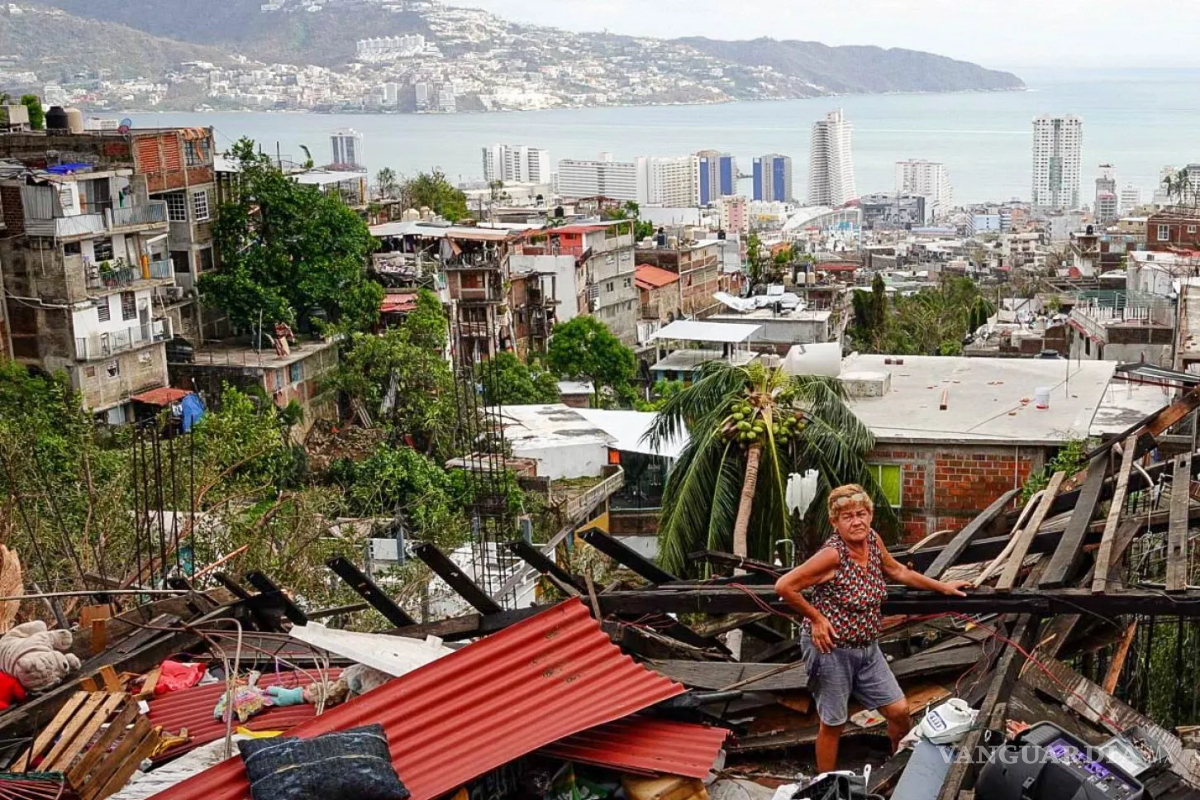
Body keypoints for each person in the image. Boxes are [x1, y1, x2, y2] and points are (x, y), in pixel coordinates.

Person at [775, 484, 972, 773]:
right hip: (832, 649)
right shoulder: (832, 555)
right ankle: (827, 783)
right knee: (833, 722)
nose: (856, 521)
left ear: (870, 515)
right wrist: (816, 619)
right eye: (847, 517)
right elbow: (784, 586)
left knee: (899, 711)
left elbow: (898, 571)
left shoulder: (872, 541)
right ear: (835, 522)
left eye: (861, 513)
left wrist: (942, 587)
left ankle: (899, 766)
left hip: (868, 649)